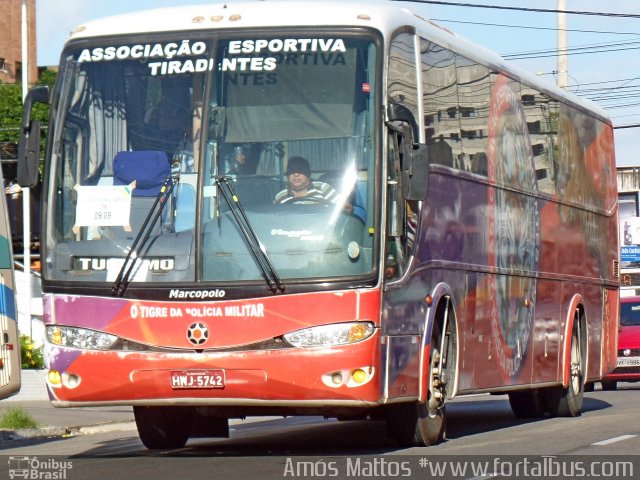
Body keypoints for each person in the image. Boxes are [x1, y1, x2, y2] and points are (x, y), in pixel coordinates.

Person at [275, 156, 340, 205]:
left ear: (308, 175)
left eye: (300, 171)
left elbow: (345, 208)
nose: (296, 174)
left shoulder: (322, 188)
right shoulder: (280, 197)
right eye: (292, 171)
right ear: (287, 175)